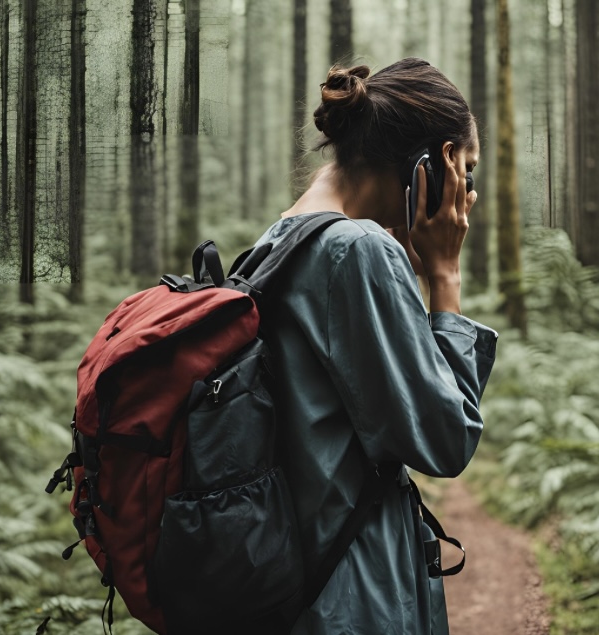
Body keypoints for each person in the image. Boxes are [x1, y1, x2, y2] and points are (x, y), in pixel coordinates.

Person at [253, 57, 498, 635]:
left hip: (298, 583)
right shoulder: (359, 251)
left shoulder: (281, 237)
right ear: (431, 166)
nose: (468, 195)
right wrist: (444, 278)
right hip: (357, 593)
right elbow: (445, 440)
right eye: (466, 170)